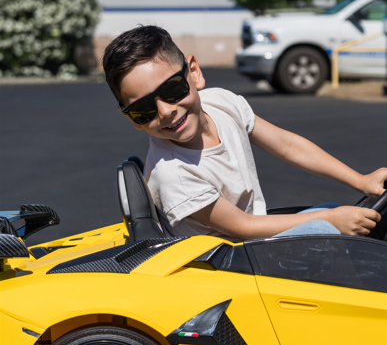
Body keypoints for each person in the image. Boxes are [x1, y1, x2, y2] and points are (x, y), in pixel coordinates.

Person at [102, 25, 387, 241]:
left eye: (172, 90)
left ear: (194, 72)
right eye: (143, 110)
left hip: (253, 243)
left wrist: (361, 181)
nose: (165, 112)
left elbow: (287, 145)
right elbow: (243, 227)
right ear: (132, 119)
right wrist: (332, 220)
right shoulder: (173, 174)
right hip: (230, 270)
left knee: (330, 212)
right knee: (326, 227)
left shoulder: (221, 102)